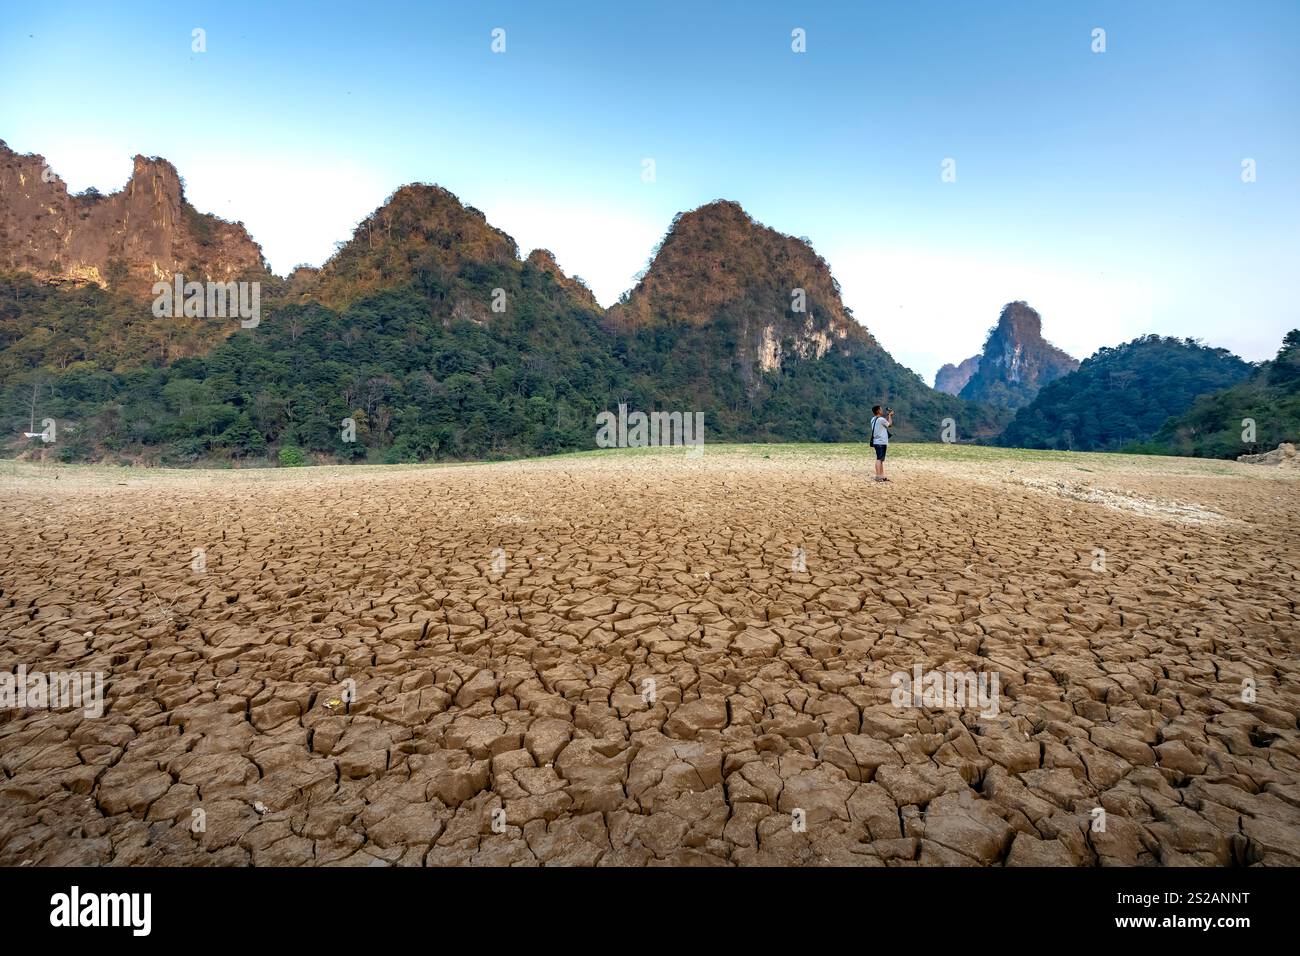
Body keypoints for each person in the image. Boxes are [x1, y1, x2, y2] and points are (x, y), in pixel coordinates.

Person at [869, 405, 893, 482]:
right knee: (879, 459)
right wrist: (890, 416)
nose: (882, 411)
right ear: (878, 411)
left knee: (881, 459)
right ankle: (878, 476)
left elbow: (884, 422)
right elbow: (889, 424)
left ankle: (881, 475)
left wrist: (888, 416)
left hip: (876, 442)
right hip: (881, 442)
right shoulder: (881, 419)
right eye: (881, 409)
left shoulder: (873, 419)